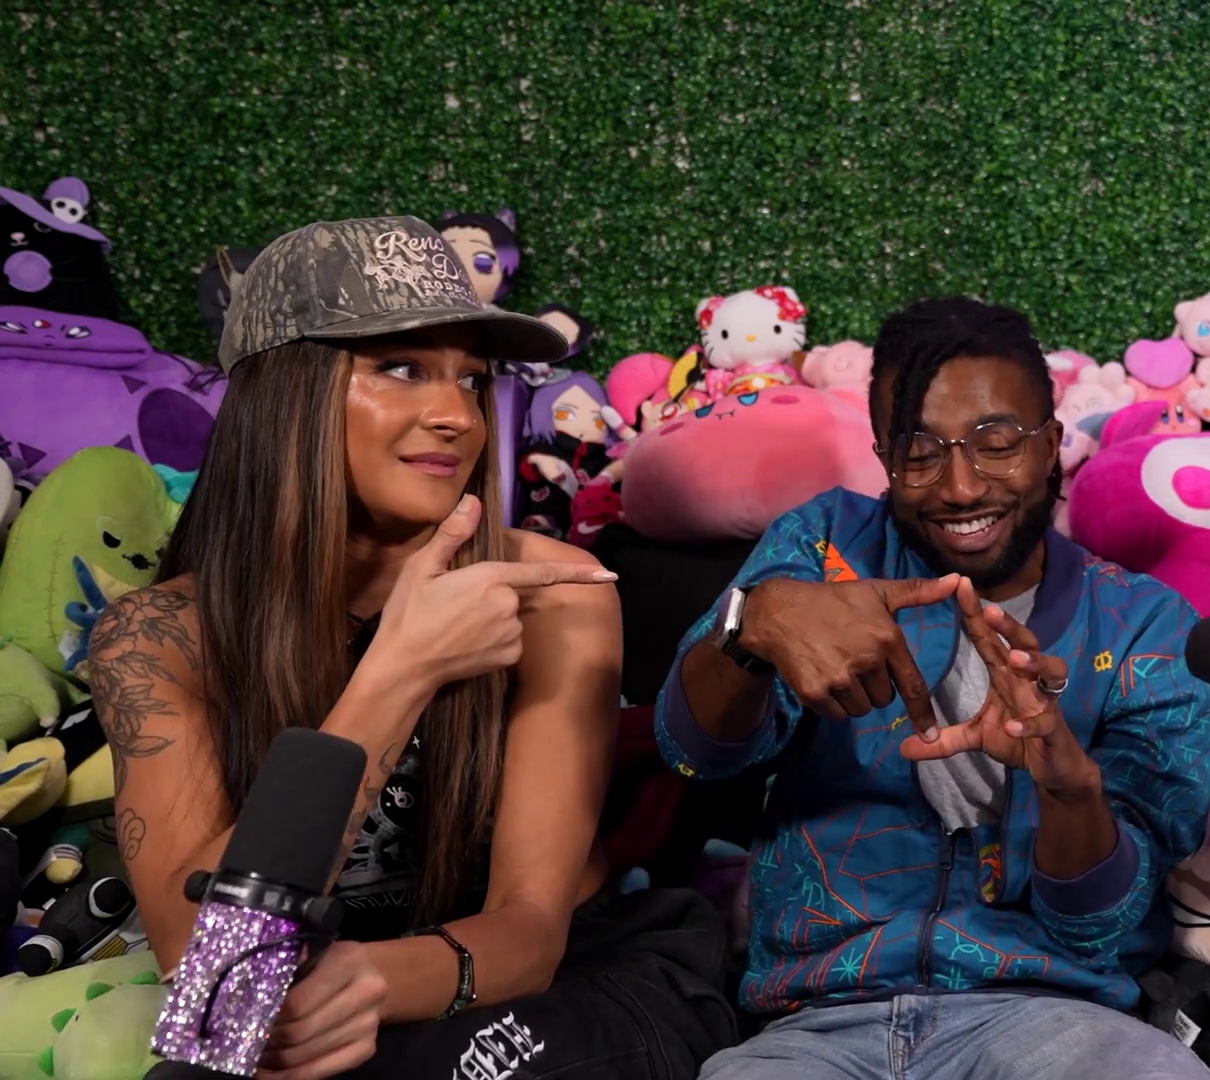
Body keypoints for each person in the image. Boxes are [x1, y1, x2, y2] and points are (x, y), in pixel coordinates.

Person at [94, 216, 735, 1080]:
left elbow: (532, 929)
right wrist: (399, 672)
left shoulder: (558, 593)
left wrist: (372, 981)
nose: (456, 416)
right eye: (401, 368)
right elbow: (207, 972)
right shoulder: (156, 638)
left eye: (471, 380)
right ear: (285, 394)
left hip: (561, 983)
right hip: (298, 992)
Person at [654, 296, 1210, 1079]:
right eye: (918, 453)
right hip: (814, 1024)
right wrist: (750, 626)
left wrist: (1069, 789)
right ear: (883, 455)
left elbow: (1103, 927)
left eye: (997, 444)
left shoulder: (1144, 628)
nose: (960, 487)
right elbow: (693, 754)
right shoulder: (824, 546)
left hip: (1053, 1021)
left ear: (1051, 445)